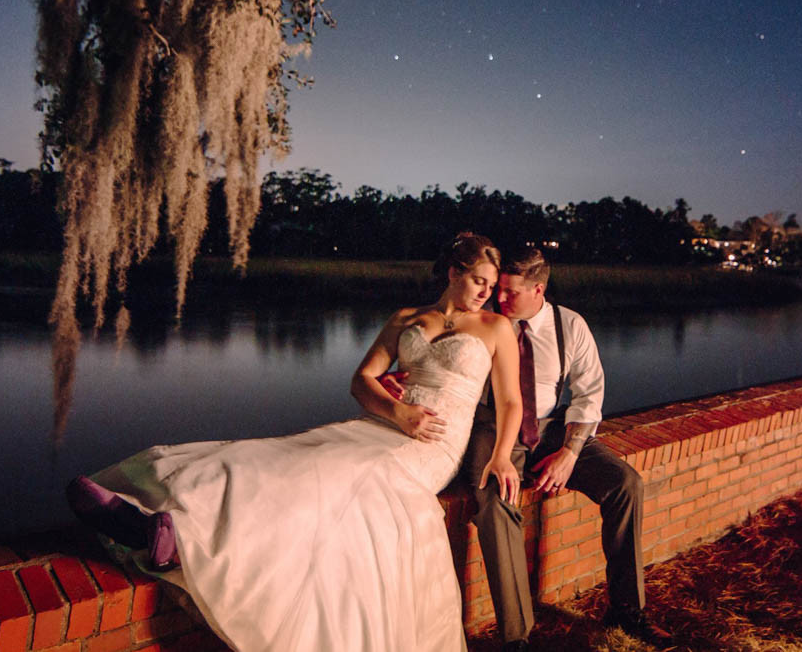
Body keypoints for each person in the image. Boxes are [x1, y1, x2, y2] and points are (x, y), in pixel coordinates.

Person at [64, 233, 524, 652]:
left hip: (431, 448)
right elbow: (362, 380)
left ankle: (181, 537)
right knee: (276, 454)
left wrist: (502, 456)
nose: (486, 292)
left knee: (338, 474)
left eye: (490, 284)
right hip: (380, 426)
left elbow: (509, 402)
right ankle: (162, 525)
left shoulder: (494, 328)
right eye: (478, 280)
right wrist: (396, 410)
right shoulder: (407, 317)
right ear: (453, 273)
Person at [391, 246, 666, 650]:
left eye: (511, 292)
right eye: (498, 289)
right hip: (495, 426)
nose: (500, 299)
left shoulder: (569, 325)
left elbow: (589, 395)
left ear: (539, 289)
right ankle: (517, 636)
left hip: (553, 429)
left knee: (624, 483)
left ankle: (627, 611)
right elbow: (439, 361)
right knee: (494, 498)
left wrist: (570, 453)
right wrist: (400, 381)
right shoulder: (484, 321)